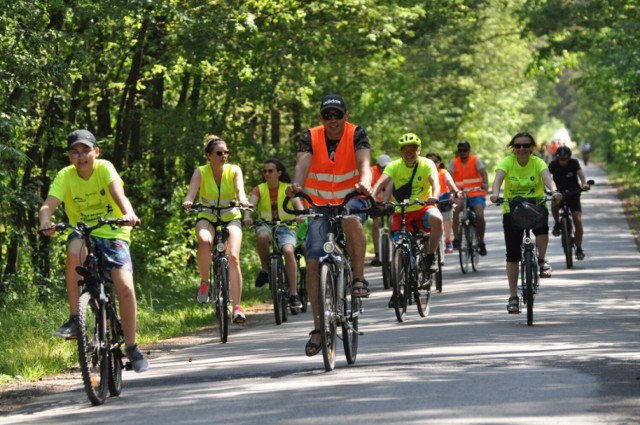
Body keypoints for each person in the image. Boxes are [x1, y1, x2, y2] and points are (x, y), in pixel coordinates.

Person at [38, 129, 149, 372]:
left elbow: (119, 195)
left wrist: (128, 214)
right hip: (83, 231)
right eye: (75, 152)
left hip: (112, 231)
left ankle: (131, 346)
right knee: (73, 253)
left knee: (125, 287)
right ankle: (76, 319)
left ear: (95, 152)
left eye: (86, 150)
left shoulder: (105, 168)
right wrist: (45, 220)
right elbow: (48, 204)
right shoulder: (65, 176)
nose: (81, 157)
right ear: (69, 157)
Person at [287, 94, 372, 357]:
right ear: (321, 118)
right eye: (327, 116)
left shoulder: (356, 133)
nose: (333, 120)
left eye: (338, 115)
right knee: (313, 261)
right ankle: (318, 328)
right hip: (319, 203)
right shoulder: (310, 136)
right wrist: (296, 186)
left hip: (351, 197)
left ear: (346, 115)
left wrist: (365, 182)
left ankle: (358, 278)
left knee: (350, 221)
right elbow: (302, 164)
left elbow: (364, 163)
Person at [490, 132, 562, 314]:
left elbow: (547, 178)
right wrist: (495, 193)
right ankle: (513, 296)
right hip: (512, 209)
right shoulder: (508, 162)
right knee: (512, 255)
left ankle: (542, 260)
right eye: (518, 146)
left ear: (532, 148)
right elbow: (498, 178)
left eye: (526, 145)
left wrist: (554, 191)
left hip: (535, 206)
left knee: (542, 228)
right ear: (513, 147)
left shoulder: (538, 162)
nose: (522, 149)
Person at [183, 135, 250, 324]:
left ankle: (237, 307)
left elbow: (239, 190)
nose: (224, 156)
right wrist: (188, 201)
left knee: (233, 256)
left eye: (226, 152)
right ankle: (205, 282)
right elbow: (192, 192)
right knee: (204, 241)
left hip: (231, 216)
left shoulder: (234, 170)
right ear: (209, 156)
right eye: (219, 153)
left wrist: (243, 201)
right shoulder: (200, 172)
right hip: (207, 216)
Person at [372, 133, 443, 307]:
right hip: (401, 212)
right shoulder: (394, 166)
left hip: (423, 208)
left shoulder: (427, 164)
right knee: (398, 250)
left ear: (419, 150)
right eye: (405, 149)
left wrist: (434, 196)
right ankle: (397, 292)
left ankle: (431, 256)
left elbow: (435, 182)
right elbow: (381, 182)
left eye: (413, 149)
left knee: (438, 219)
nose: (409, 152)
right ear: (401, 151)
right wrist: (371, 198)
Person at [242, 158, 305, 313]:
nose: (267, 173)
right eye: (264, 171)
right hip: (266, 224)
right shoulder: (259, 189)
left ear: (279, 173)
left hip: (286, 225)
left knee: (289, 251)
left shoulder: (288, 188)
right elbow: (251, 205)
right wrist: (247, 217)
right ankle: (266, 271)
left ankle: (293, 293)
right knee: (262, 236)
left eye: (270, 171)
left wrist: (300, 215)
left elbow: (298, 205)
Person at [548, 146, 590, 260]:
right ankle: (557, 223)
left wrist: (584, 184)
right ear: (557, 158)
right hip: (559, 193)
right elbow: (546, 176)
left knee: (577, 218)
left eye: (565, 159)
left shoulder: (574, 163)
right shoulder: (553, 164)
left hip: (573, 192)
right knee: (554, 204)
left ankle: (579, 247)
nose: (562, 161)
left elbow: (580, 174)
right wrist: (547, 188)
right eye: (560, 159)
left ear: (569, 158)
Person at [449, 140, 489, 256]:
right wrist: (452, 191)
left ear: (469, 151)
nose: (462, 152)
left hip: (476, 193)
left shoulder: (475, 160)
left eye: (464, 150)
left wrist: (485, 184)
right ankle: (456, 239)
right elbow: (449, 177)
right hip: (460, 193)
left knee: (479, 214)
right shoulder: (454, 162)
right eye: (460, 150)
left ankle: (481, 242)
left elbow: (483, 172)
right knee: (455, 211)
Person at [426, 152, 459, 254]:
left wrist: (455, 192)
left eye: (435, 161)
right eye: (430, 161)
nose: (433, 163)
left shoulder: (443, 172)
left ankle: (448, 240)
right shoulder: (423, 172)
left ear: (439, 163)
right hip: (428, 200)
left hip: (443, 198)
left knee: (447, 218)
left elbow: (451, 184)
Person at [370, 154, 392, 266]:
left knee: (392, 223)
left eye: (386, 167)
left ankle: (393, 251)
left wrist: (385, 202)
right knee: (376, 223)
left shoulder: (392, 171)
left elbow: (390, 190)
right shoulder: (372, 172)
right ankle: (377, 253)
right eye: (383, 167)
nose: (385, 169)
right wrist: (373, 203)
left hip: (390, 202)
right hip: (375, 202)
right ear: (377, 166)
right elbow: (370, 189)